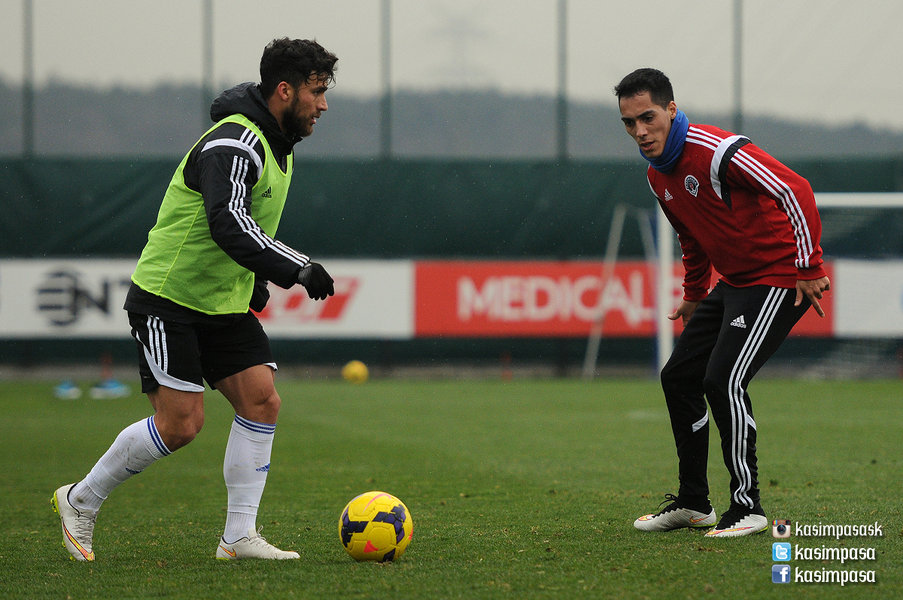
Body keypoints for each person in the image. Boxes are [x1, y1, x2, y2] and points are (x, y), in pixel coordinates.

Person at [52, 38, 338, 561]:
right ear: (284, 90)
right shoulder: (234, 142)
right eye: (316, 92)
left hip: (221, 303)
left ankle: (238, 537)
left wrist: (253, 277)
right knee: (181, 424)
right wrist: (295, 267)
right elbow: (228, 221)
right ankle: (80, 499)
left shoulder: (277, 144)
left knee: (262, 401)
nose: (322, 105)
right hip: (170, 299)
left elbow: (243, 226)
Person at [615, 68, 830, 538]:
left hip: (778, 278)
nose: (640, 131)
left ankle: (747, 507)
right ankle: (694, 502)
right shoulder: (657, 175)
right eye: (629, 123)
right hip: (734, 283)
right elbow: (690, 235)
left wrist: (809, 265)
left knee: (723, 379)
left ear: (671, 109)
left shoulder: (717, 151)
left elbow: (794, 188)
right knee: (678, 377)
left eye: (648, 117)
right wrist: (694, 293)